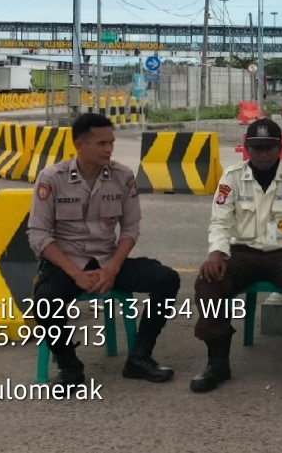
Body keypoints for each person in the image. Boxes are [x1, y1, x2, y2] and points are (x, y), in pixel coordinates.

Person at [28, 112, 180, 387]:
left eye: (111, 142)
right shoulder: (52, 178)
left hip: (108, 261)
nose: (109, 149)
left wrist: (112, 269)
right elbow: (38, 234)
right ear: (79, 144)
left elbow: (130, 228)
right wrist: (75, 274)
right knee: (45, 300)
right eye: (101, 143)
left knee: (167, 278)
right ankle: (69, 367)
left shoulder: (122, 176)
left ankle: (140, 357)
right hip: (68, 264)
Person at [191, 118, 282, 392]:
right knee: (209, 280)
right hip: (242, 253)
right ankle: (217, 361)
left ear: (280, 148)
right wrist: (216, 253)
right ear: (246, 148)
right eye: (257, 147)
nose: (263, 154)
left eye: (269, 147)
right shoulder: (232, 177)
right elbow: (220, 222)